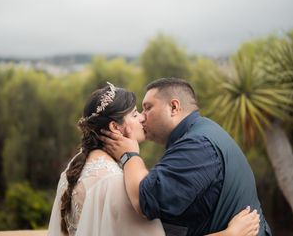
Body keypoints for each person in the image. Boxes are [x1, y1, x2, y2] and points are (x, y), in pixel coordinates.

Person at [47, 82, 260, 236]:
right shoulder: (116, 183)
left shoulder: (73, 170)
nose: (142, 117)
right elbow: (146, 200)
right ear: (115, 127)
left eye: (146, 109)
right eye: (136, 113)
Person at [100, 78, 272, 236]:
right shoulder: (201, 133)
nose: (142, 118)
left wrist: (129, 155)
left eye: (148, 108)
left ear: (174, 107)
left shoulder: (197, 146)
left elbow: (146, 201)